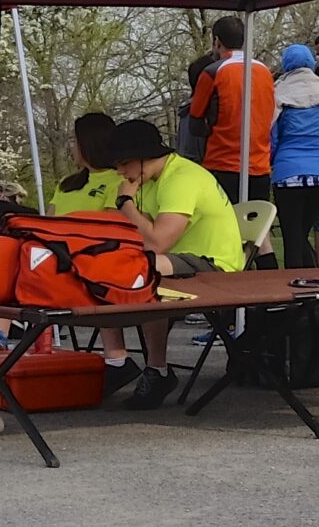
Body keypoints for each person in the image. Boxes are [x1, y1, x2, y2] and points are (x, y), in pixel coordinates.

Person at [103, 118, 246, 408]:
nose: (119, 172)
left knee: (143, 268)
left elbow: (156, 243)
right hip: (177, 259)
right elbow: (137, 235)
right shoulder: (152, 180)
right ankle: (138, 365)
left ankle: (145, 367)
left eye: (122, 163)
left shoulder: (181, 178)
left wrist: (125, 204)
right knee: (110, 266)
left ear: (142, 158)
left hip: (215, 263)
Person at [187, 16, 276, 202]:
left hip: (222, 163)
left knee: (224, 226)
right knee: (257, 227)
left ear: (217, 41)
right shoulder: (265, 72)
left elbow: (194, 122)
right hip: (260, 165)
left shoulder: (212, 72)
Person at [269, 45, 319, 268]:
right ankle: (311, 289)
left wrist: (270, 161)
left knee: (292, 237)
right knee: (302, 233)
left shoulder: (279, 92)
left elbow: (272, 136)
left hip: (288, 172)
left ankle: (295, 291)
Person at [46, 112, 124, 216]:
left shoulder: (120, 182)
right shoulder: (67, 182)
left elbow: (111, 226)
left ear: (88, 143)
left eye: (74, 141)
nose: (72, 148)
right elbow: (48, 221)